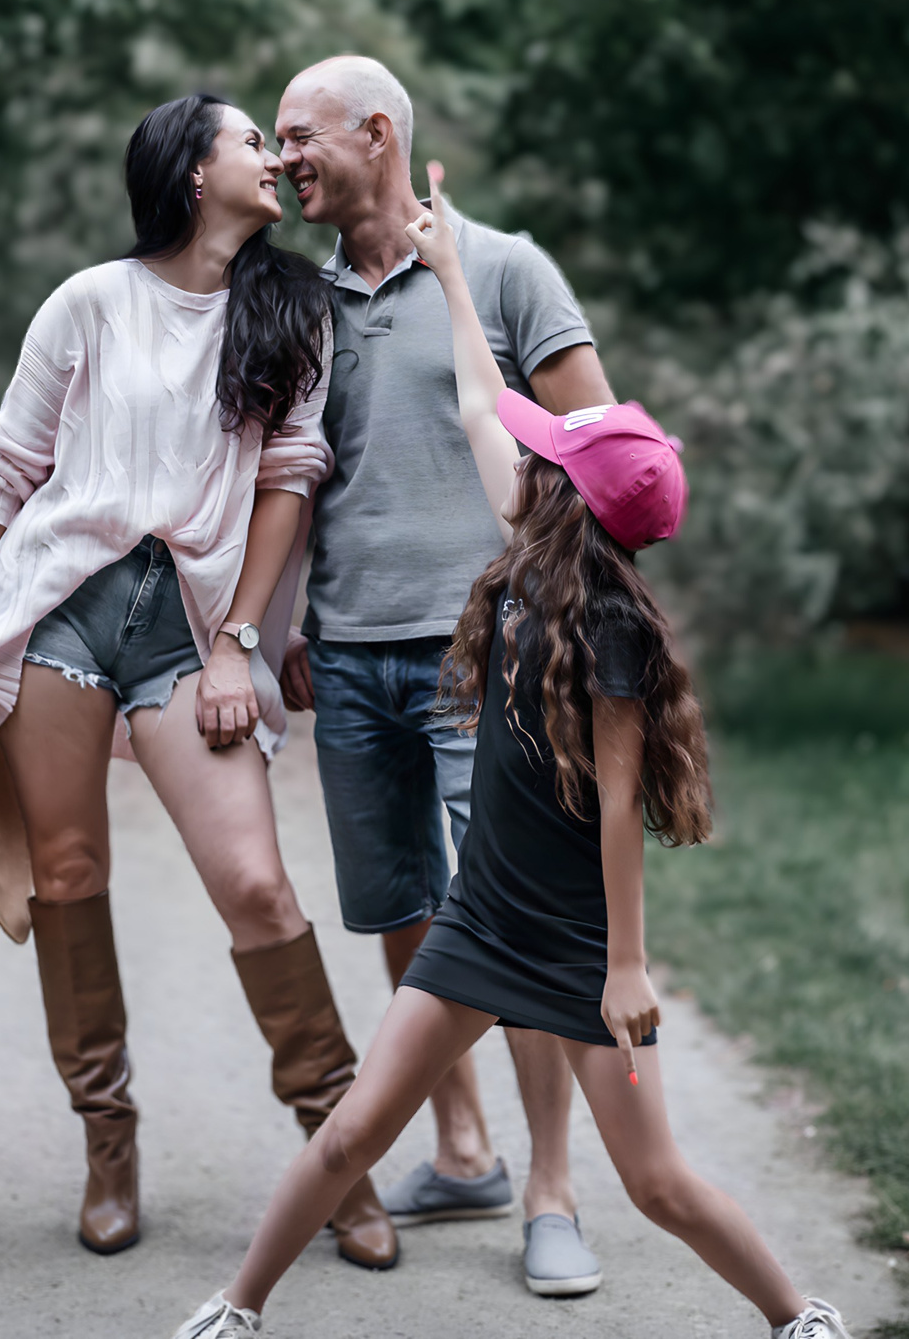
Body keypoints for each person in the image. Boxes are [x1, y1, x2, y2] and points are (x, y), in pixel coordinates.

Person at [170, 190, 853, 1339]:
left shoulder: (609, 631)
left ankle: (799, 1316)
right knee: (350, 1133)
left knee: (658, 1183)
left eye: (552, 455)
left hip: (582, 958)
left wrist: (627, 969)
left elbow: (621, 805)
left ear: (567, 499)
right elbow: (485, 397)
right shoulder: (527, 558)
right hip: (477, 927)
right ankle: (234, 1308)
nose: (524, 453)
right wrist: (448, 273)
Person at [0, 92, 397, 1270]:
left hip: (188, 630)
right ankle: (108, 1141)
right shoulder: (89, 302)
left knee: (255, 884)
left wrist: (240, 635)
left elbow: (289, 476)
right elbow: (5, 468)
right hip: (57, 614)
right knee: (71, 871)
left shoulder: (287, 309)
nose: (274, 160)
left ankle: (336, 1155)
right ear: (192, 171)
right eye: (250, 142)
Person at [271, 54, 614, 1294]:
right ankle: (462, 1147)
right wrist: (283, 624)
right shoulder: (301, 297)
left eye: (298, 136)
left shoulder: (504, 267)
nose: (281, 158)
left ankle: (551, 1190)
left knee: (509, 913)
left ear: (377, 133)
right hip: (349, 657)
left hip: (493, 657)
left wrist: (566, 627)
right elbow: (302, 477)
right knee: (410, 906)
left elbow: (601, 449)